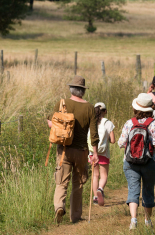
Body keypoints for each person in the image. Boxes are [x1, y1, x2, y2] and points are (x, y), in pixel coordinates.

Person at [47, 75, 99, 224]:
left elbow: (52, 124)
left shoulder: (61, 103)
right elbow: (94, 134)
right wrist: (94, 153)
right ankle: (75, 216)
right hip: (82, 151)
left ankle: (59, 206)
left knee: (62, 182)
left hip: (64, 150)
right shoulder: (89, 107)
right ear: (83, 91)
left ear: (71, 89)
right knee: (78, 183)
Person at [118, 93, 155, 230]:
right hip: (150, 162)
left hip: (131, 163)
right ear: (150, 109)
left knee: (133, 190)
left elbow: (121, 143)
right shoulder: (154, 124)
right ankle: (148, 221)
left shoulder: (129, 123)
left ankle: (133, 220)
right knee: (148, 191)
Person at [87, 102, 115, 206]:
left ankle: (95, 197)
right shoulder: (108, 123)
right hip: (104, 153)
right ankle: (100, 189)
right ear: (105, 111)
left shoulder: (91, 122)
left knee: (95, 175)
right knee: (103, 176)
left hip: (92, 153)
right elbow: (112, 140)